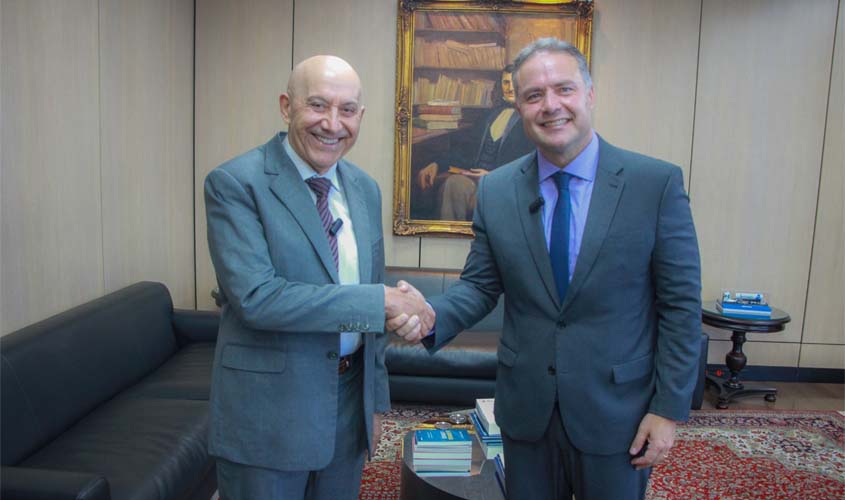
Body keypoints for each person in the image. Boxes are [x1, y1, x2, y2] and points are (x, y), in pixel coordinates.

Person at [392, 38, 701, 500]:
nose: (550, 105)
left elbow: (680, 307)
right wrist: (430, 316)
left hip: (618, 413)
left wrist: (668, 409)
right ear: (519, 107)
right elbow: (479, 286)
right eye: (534, 95)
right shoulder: (497, 190)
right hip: (527, 413)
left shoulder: (654, 185)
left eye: (564, 89)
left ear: (589, 94)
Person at [204, 55, 430, 500]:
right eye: (318, 105)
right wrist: (382, 301)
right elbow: (258, 298)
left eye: (348, 110)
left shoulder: (364, 188)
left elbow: (373, 311)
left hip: (348, 407)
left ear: (361, 116)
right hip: (269, 412)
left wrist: (375, 403)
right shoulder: (236, 183)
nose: (332, 124)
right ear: (286, 106)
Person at [416, 65, 534, 220]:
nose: (510, 88)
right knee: (453, 185)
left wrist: (493, 176)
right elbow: (464, 150)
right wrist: (436, 164)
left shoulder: (532, 121)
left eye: (514, 82)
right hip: (474, 180)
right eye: (506, 82)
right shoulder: (488, 117)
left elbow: (530, 166)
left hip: (505, 185)